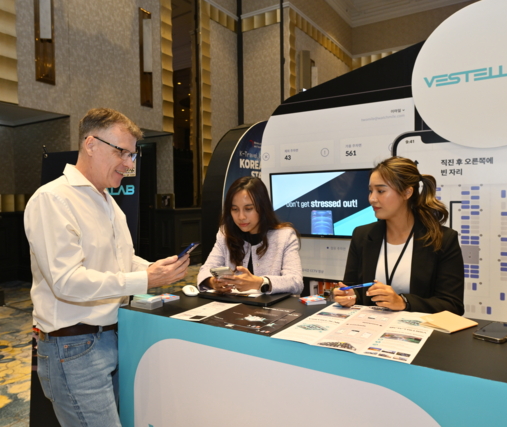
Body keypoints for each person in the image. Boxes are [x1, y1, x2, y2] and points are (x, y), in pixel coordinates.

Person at [24, 108, 189, 427]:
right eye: (121, 152)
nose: (129, 164)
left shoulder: (108, 201)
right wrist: (143, 279)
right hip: (72, 348)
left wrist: (154, 269)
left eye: (132, 155)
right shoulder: (53, 199)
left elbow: (119, 261)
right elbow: (67, 282)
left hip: (112, 337)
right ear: (90, 144)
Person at [333, 156, 464, 314]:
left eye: (381, 191)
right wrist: (349, 296)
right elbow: (354, 289)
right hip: (370, 326)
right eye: (370, 191)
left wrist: (403, 302)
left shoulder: (442, 239)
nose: (372, 199)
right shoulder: (362, 235)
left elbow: (452, 305)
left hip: (419, 327)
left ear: (407, 192)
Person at [197, 176, 303, 295]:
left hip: (269, 305)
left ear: (262, 207)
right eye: (235, 209)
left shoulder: (284, 236)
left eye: (248, 209)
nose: (241, 217)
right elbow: (205, 270)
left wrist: (259, 282)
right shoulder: (225, 233)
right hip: (232, 304)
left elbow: (296, 282)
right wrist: (213, 283)